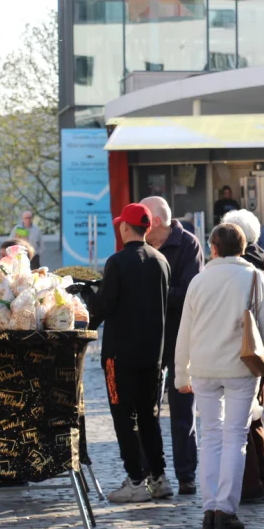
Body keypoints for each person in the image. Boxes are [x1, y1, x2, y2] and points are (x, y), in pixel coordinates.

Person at [174, 223, 264, 529]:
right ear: (243, 247)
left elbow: (185, 331)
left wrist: (182, 371)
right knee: (236, 437)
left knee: (209, 437)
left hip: (204, 369)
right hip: (241, 368)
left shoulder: (198, 281)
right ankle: (226, 508)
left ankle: (209, 507)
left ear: (213, 247)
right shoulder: (252, 277)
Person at [88, 203, 173, 503]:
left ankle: (135, 479)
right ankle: (159, 477)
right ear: (147, 228)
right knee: (150, 417)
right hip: (153, 355)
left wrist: (86, 295)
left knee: (125, 418)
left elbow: (102, 307)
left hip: (119, 356)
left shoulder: (118, 262)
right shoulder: (161, 260)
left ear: (126, 227)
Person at [141, 195, 203, 495]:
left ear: (153, 222)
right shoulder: (140, 246)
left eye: (142, 218)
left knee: (182, 409)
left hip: (181, 337)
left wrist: (153, 291)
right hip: (149, 337)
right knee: (146, 410)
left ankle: (186, 475)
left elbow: (190, 291)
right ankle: (153, 475)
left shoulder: (188, 243)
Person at [222, 209, 264, 503]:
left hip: (242, 351)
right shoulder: (260, 263)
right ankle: (259, 481)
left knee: (242, 420)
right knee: (255, 417)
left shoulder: (243, 269)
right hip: (257, 351)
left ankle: (251, 483)